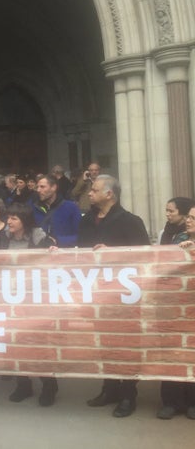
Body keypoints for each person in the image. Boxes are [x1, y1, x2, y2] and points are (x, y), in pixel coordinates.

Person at [78, 175, 150, 418]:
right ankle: (109, 388)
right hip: (98, 292)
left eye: (94, 190)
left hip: (125, 295)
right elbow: (80, 250)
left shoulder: (130, 221)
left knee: (126, 344)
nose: (89, 193)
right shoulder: (87, 220)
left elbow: (144, 255)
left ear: (109, 194)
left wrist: (115, 253)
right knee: (105, 342)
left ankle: (128, 394)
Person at [3, 203, 58, 406]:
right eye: (8, 217)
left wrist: (52, 251)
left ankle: (49, 385)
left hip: (34, 299)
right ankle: (23, 384)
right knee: (17, 342)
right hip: (12, 299)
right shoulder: (4, 239)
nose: (9, 222)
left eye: (14, 218)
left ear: (24, 221)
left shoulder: (38, 237)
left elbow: (50, 263)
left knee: (39, 342)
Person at [158, 201, 195, 419]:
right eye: (188, 217)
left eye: (192, 218)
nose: (188, 221)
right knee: (172, 353)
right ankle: (171, 401)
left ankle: (192, 401)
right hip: (174, 306)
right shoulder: (175, 238)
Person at [32, 174, 81, 247]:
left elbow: (80, 236)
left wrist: (57, 241)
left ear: (53, 187)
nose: (38, 190)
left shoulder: (71, 207)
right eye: (37, 187)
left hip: (63, 254)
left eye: (42, 187)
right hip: (39, 254)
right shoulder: (33, 208)